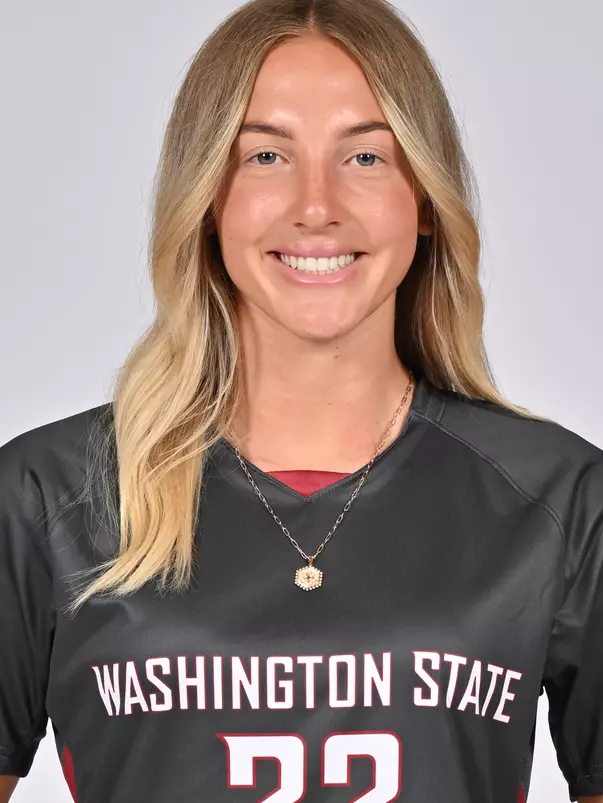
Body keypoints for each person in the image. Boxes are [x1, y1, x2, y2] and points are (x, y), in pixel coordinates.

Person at [1, 0, 602, 801]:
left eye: (364, 158)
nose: (316, 205)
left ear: (423, 199)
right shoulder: (51, 497)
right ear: (208, 198)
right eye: (265, 157)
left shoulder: (559, 500)